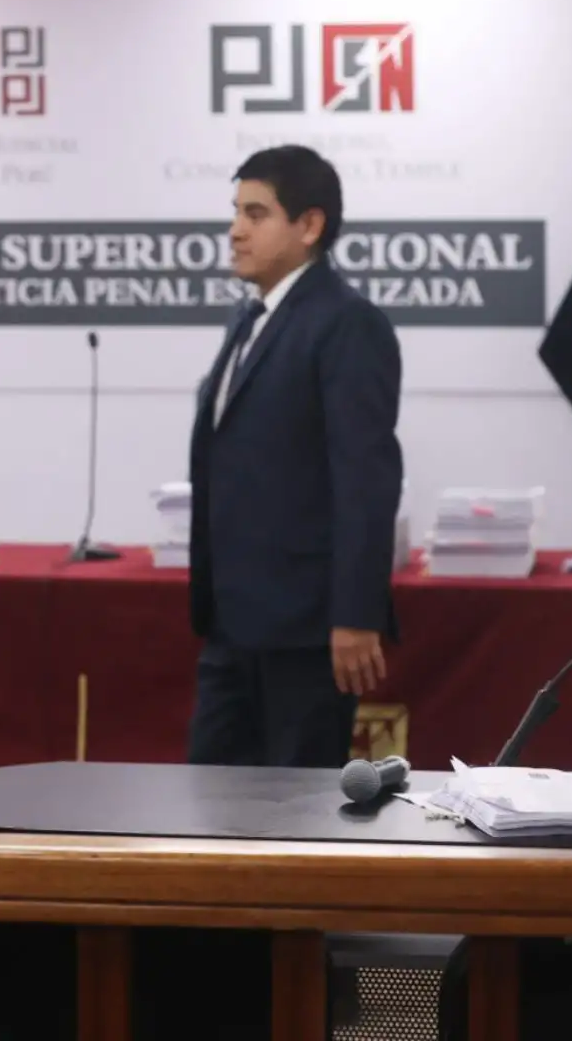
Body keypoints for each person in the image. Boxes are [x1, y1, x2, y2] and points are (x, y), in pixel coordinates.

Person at [186, 145, 403, 769]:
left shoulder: (347, 323)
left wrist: (357, 615)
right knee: (205, 810)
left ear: (309, 226)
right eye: (235, 211)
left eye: (256, 213)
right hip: (233, 623)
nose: (235, 229)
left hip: (308, 631)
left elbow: (366, 476)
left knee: (292, 822)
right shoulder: (249, 319)